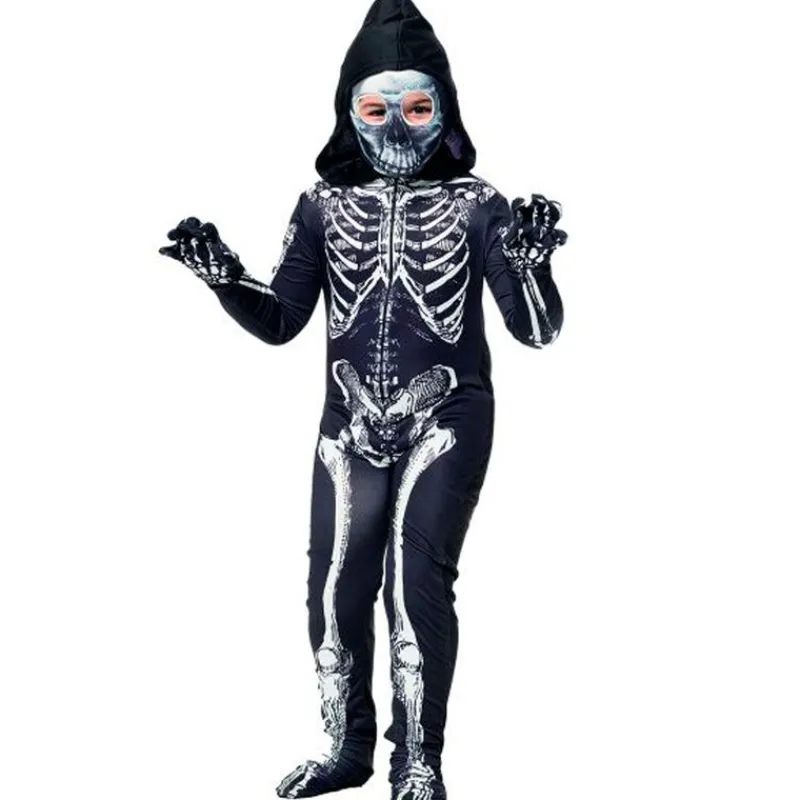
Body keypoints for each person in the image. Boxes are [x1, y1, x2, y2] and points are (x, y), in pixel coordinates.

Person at [158, 1, 567, 798]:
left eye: (417, 107)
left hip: (447, 419)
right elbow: (281, 320)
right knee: (336, 584)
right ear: (349, 114)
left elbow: (536, 330)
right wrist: (223, 278)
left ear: (445, 109)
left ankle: (418, 761)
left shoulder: (480, 205)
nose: (398, 127)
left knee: (416, 582)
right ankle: (346, 749)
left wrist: (533, 268)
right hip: (347, 422)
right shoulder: (321, 205)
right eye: (377, 110)